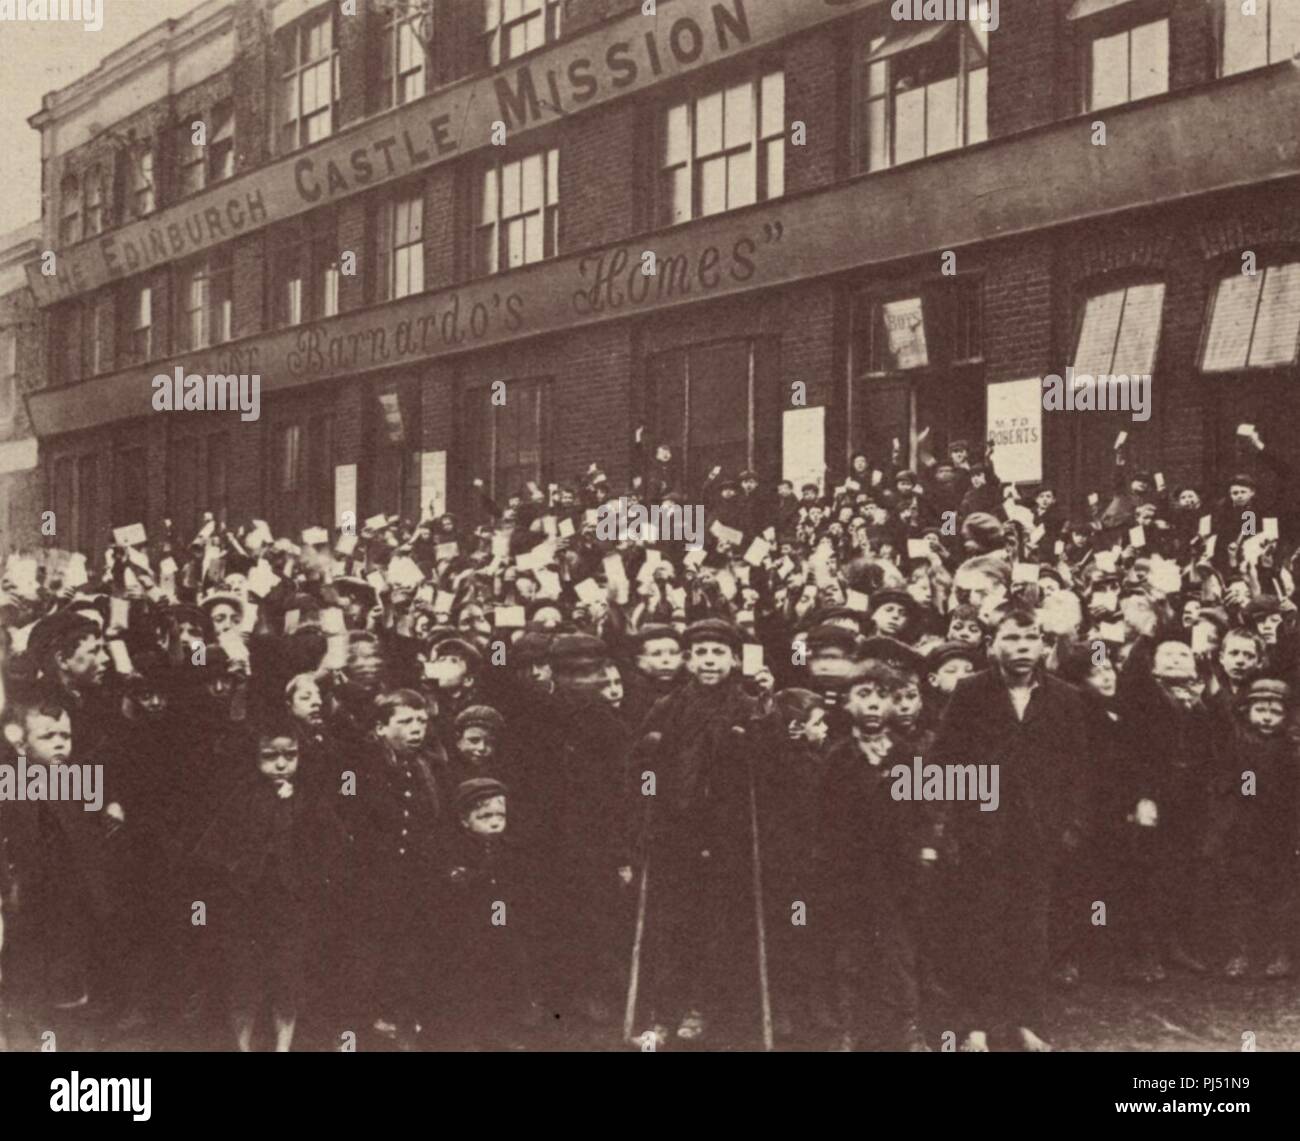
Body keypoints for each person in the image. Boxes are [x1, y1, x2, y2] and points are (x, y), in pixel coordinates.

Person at [931, 604, 1089, 1052]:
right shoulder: (970, 692)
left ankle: (1026, 1022)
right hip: (982, 832)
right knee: (979, 926)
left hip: (1039, 835)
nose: (1021, 648)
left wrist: (1071, 825)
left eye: (1030, 638)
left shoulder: (1065, 696)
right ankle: (976, 1026)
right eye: (1011, 639)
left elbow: (1077, 768)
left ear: (1042, 644)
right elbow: (944, 761)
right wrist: (951, 825)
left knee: (1031, 931)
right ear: (992, 645)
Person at [192, 717, 346, 1051]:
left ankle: (284, 1045)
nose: (280, 763)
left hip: (292, 904)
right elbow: (212, 850)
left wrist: (297, 811)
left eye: (289, 755)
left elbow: (332, 846)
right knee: (243, 977)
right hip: (246, 904)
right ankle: (242, 1046)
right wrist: (238, 872)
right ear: (254, 757)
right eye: (269, 756)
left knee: (288, 976)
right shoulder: (241, 796)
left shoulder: (310, 798)